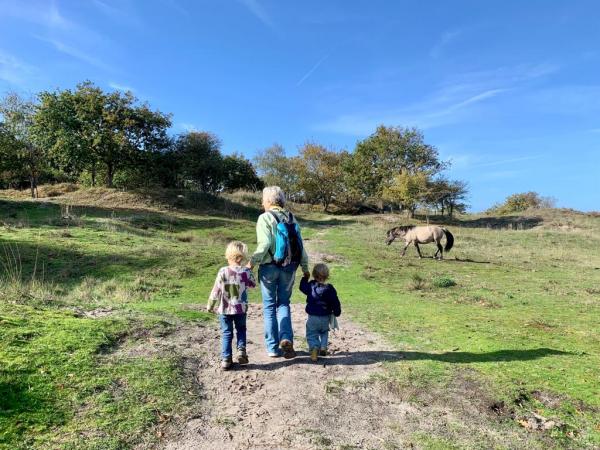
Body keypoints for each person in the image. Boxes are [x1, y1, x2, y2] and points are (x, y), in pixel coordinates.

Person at [248, 186, 310, 359]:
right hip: (290, 267)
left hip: (269, 267)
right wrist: (305, 267)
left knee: (269, 306)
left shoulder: (265, 218)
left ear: (268, 201)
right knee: (283, 304)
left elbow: (265, 243)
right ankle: (286, 338)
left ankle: (273, 348)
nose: (262, 203)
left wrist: (252, 262)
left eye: (263, 200)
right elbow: (301, 245)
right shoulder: (291, 217)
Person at [207, 241, 256, 370]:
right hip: (241, 308)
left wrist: (210, 305)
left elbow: (216, 290)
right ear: (241, 257)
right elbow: (252, 284)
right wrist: (250, 270)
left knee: (227, 333)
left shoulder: (223, 271)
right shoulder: (246, 271)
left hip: (225, 309)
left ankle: (226, 360)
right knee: (241, 329)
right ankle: (241, 351)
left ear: (229, 256)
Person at [299, 263, 341, 362]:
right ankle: (323, 347)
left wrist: (305, 278)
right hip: (325, 317)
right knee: (324, 332)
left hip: (313, 317)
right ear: (327, 276)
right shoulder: (330, 289)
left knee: (311, 334)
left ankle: (314, 349)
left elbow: (302, 287)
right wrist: (337, 312)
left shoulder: (311, 286)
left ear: (314, 274)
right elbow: (335, 301)